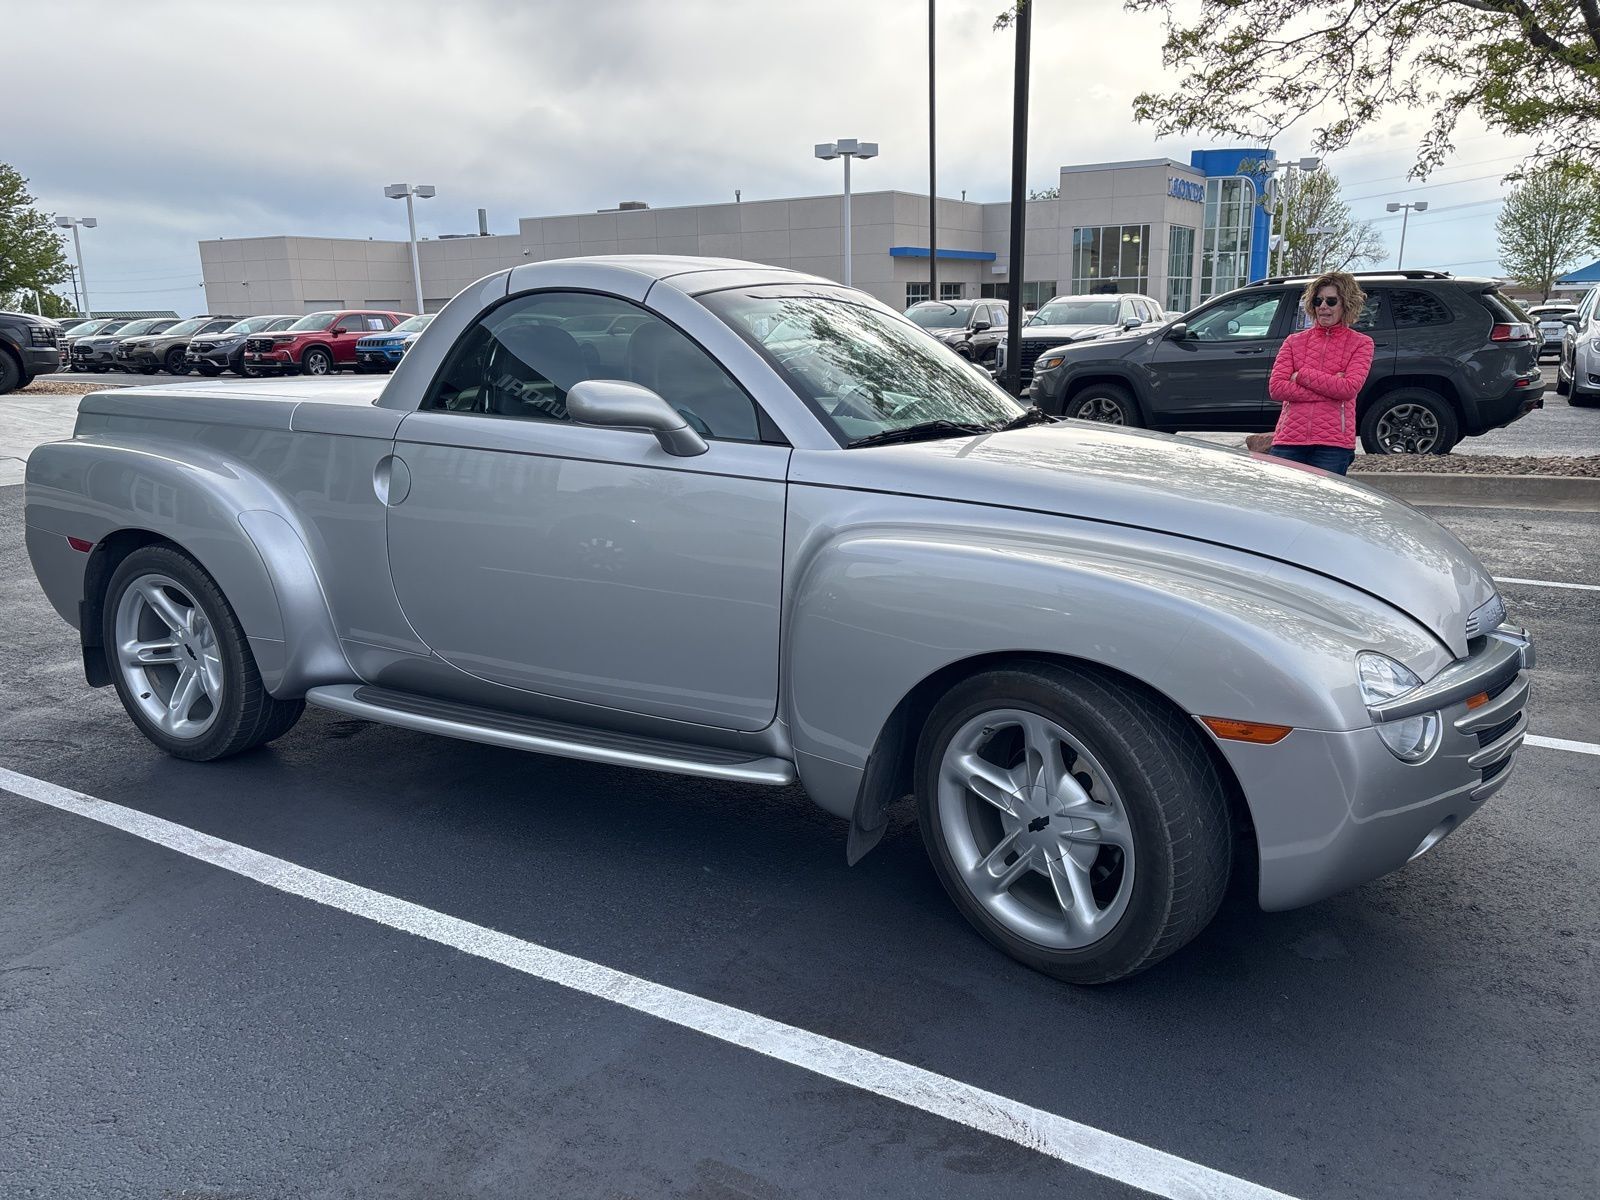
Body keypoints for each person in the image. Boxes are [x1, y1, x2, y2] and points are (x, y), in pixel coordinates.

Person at [1265, 272, 1374, 475]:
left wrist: (1301, 376)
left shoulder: (1362, 344)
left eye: (1331, 301)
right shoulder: (1292, 342)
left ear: (1346, 304)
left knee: (1324, 506)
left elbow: (1348, 388)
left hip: (1334, 445)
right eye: (1318, 300)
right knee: (1281, 505)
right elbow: (1277, 388)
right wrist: (1331, 388)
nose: (1323, 306)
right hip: (1289, 440)